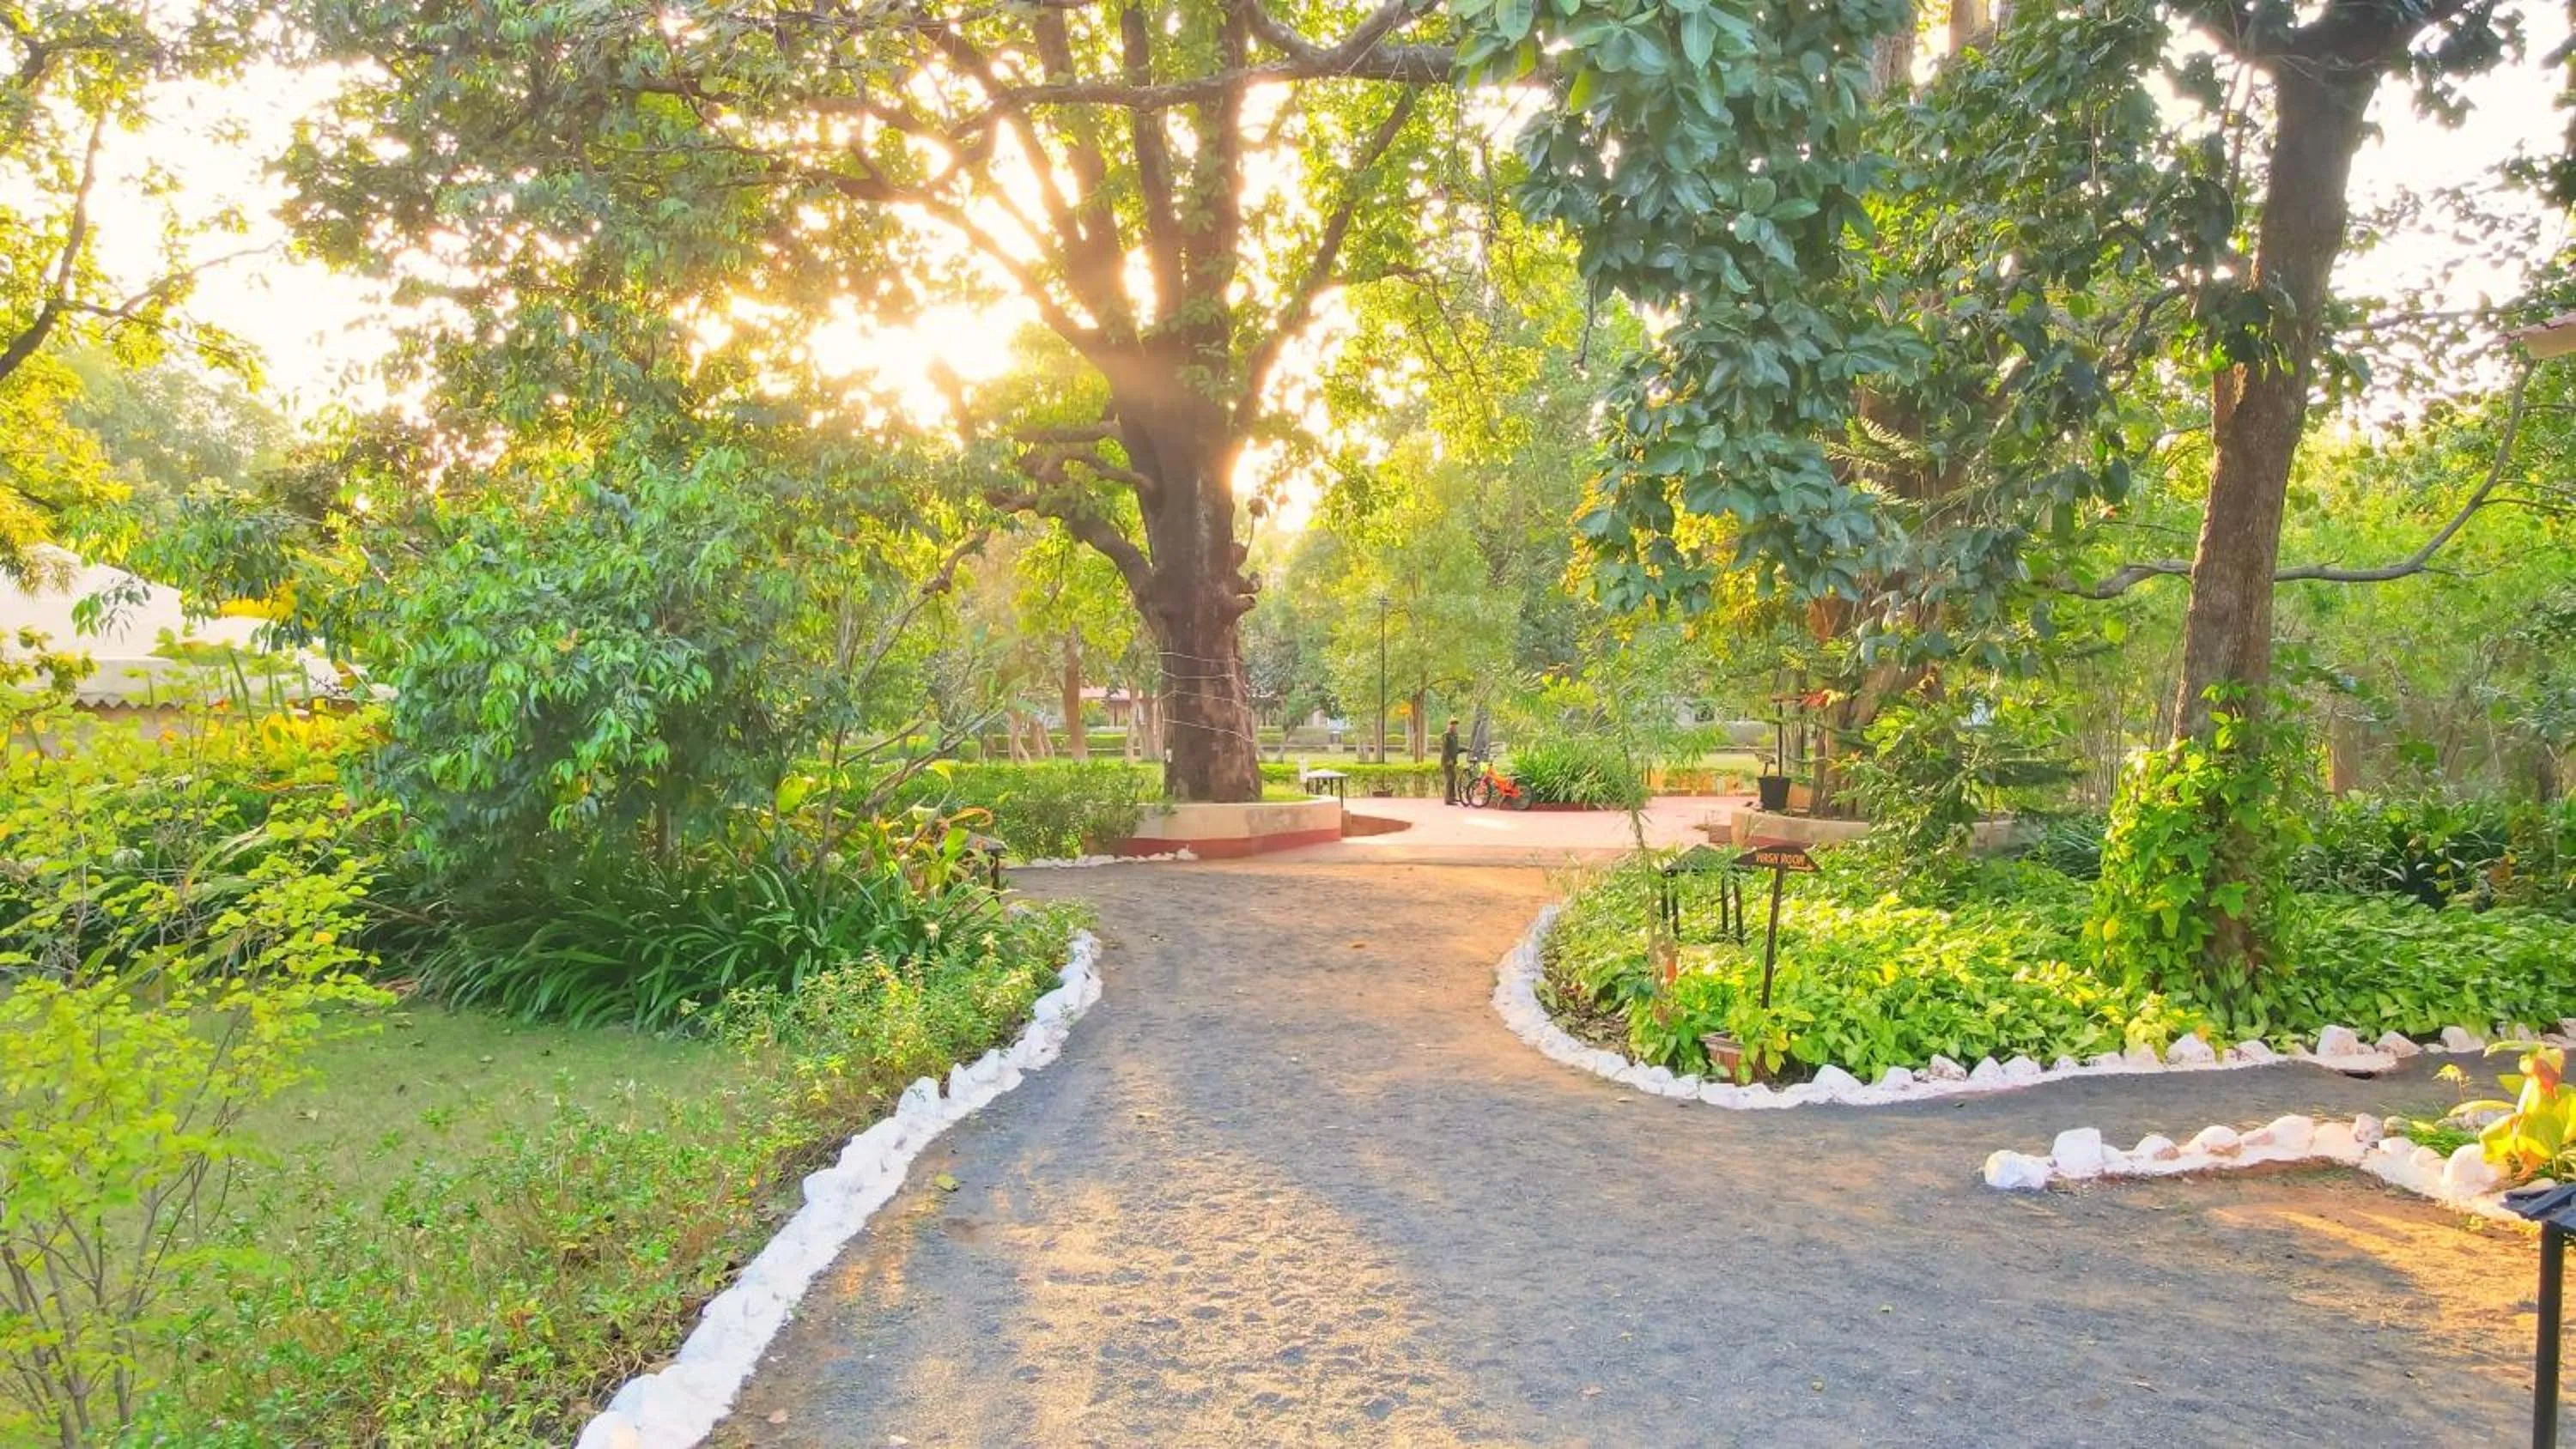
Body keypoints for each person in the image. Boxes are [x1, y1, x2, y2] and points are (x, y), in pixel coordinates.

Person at [1441, 716, 1464, 805]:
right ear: (1449, 726)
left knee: (1453, 778)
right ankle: (1448, 799)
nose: (1454, 727)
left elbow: (1456, 749)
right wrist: (1449, 760)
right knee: (1449, 779)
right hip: (1447, 762)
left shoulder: (1455, 736)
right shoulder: (1446, 736)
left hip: (1453, 762)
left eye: (1455, 725)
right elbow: (1445, 749)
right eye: (1452, 725)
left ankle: (1453, 797)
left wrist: (1466, 749)